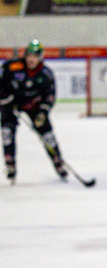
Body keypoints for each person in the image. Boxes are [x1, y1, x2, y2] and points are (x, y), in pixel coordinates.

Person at [1, 40, 66, 183]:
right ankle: (10, 163)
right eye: (29, 55)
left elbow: (50, 96)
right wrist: (5, 98)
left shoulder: (46, 74)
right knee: (7, 131)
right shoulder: (12, 67)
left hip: (34, 106)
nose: (31, 59)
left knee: (47, 134)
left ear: (40, 57)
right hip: (12, 105)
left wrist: (43, 112)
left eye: (35, 56)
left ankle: (58, 161)